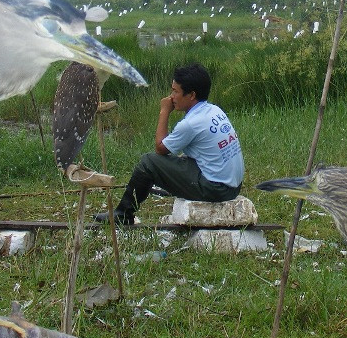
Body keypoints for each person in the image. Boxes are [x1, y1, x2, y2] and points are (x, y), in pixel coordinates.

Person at [96, 63, 244, 225]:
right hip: (233, 185)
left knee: (148, 162)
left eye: (175, 91)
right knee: (180, 159)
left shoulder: (191, 124)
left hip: (217, 190)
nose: (171, 96)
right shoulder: (214, 110)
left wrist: (164, 111)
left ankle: (123, 213)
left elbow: (160, 148)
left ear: (191, 95)